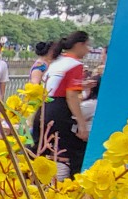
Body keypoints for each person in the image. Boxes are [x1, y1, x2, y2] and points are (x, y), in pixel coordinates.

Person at [34, 31, 91, 178]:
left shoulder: (57, 62)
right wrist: (82, 124)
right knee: (67, 153)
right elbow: (71, 95)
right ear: (79, 45)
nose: (89, 50)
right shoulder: (75, 65)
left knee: (41, 150)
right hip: (59, 112)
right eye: (87, 45)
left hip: (44, 110)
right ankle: (61, 189)